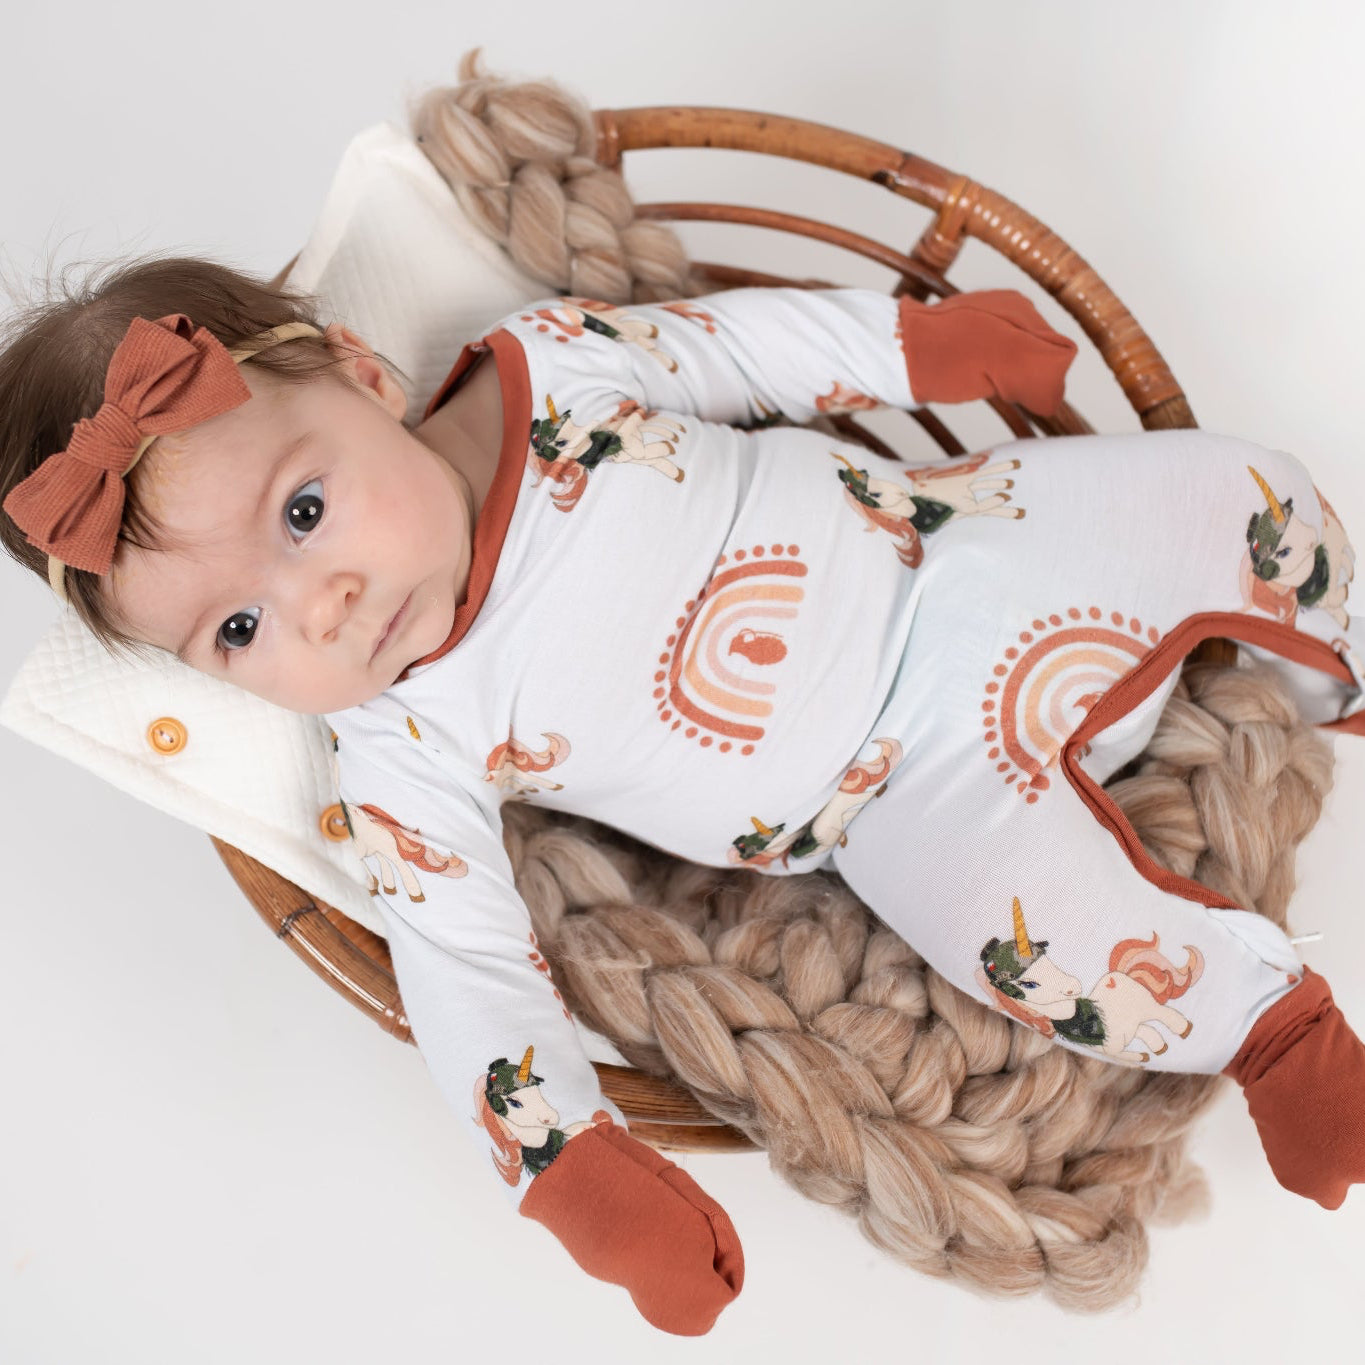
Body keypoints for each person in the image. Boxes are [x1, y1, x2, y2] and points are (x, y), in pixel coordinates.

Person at [4, 255, 1365, 1335]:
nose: (321, 609)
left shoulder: (547, 368)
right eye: (237, 634)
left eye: (304, 514)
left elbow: (739, 347)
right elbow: (461, 962)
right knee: (1046, 947)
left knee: (1249, 491)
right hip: (888, 798)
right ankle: (1273, 1029)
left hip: (960, 544)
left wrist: (915, 346)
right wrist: (568, 1170)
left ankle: (1326, 672)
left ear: (360, 375)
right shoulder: (402, 739)